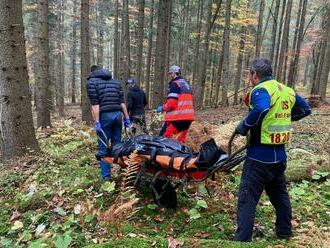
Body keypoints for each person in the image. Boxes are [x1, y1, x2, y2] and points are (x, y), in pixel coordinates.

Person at [233, 58, 312, 242]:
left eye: (250, 74)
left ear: (255, 74)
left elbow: (260, 108)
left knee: (247, 198)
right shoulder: (287, 90)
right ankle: (284, 232)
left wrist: (243, 126)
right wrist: (284, 118)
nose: (250, 78)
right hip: (279, 156)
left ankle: (241, 241)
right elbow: (306, 109)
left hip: (259, 156)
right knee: (279, 196)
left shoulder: (261, 90)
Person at [87, 65, 131, 180]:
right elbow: (122, 102)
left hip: (104, 116)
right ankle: (125, 173)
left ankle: (106, 177)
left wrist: (97, 122)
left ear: (92, 73)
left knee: (103, 148)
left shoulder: (91, 83)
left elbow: (95, 105)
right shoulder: (116, 82)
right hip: (118, 115)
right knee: (118, 146)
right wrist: (127, 118)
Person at [157, 65, 195, 143]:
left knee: (163, 141)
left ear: (174, 73)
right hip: (188, 118)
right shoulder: (186, 84)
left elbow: (171, 104)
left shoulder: (175, 84)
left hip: (177, 119)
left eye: (171, 74)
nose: (170, 76)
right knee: (180, 142)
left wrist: (162, 108)